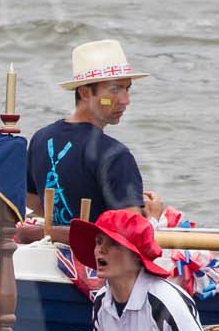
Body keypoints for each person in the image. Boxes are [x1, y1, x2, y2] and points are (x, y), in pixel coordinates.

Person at [24, 40, 149, 228]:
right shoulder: (115, 154)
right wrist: (152, 214)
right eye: (114, 89)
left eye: (127, 88)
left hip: (54, 250)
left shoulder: (40, 139)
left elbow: (32, 206)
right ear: (84, 92)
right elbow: (133, 230)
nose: (125, 100)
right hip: (98, 255)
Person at [70, 210, 212, 331]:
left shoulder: (166, 301)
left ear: (136, 257)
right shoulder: (101, 302)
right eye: (99, 241)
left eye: (113, 243)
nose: (100, 249)